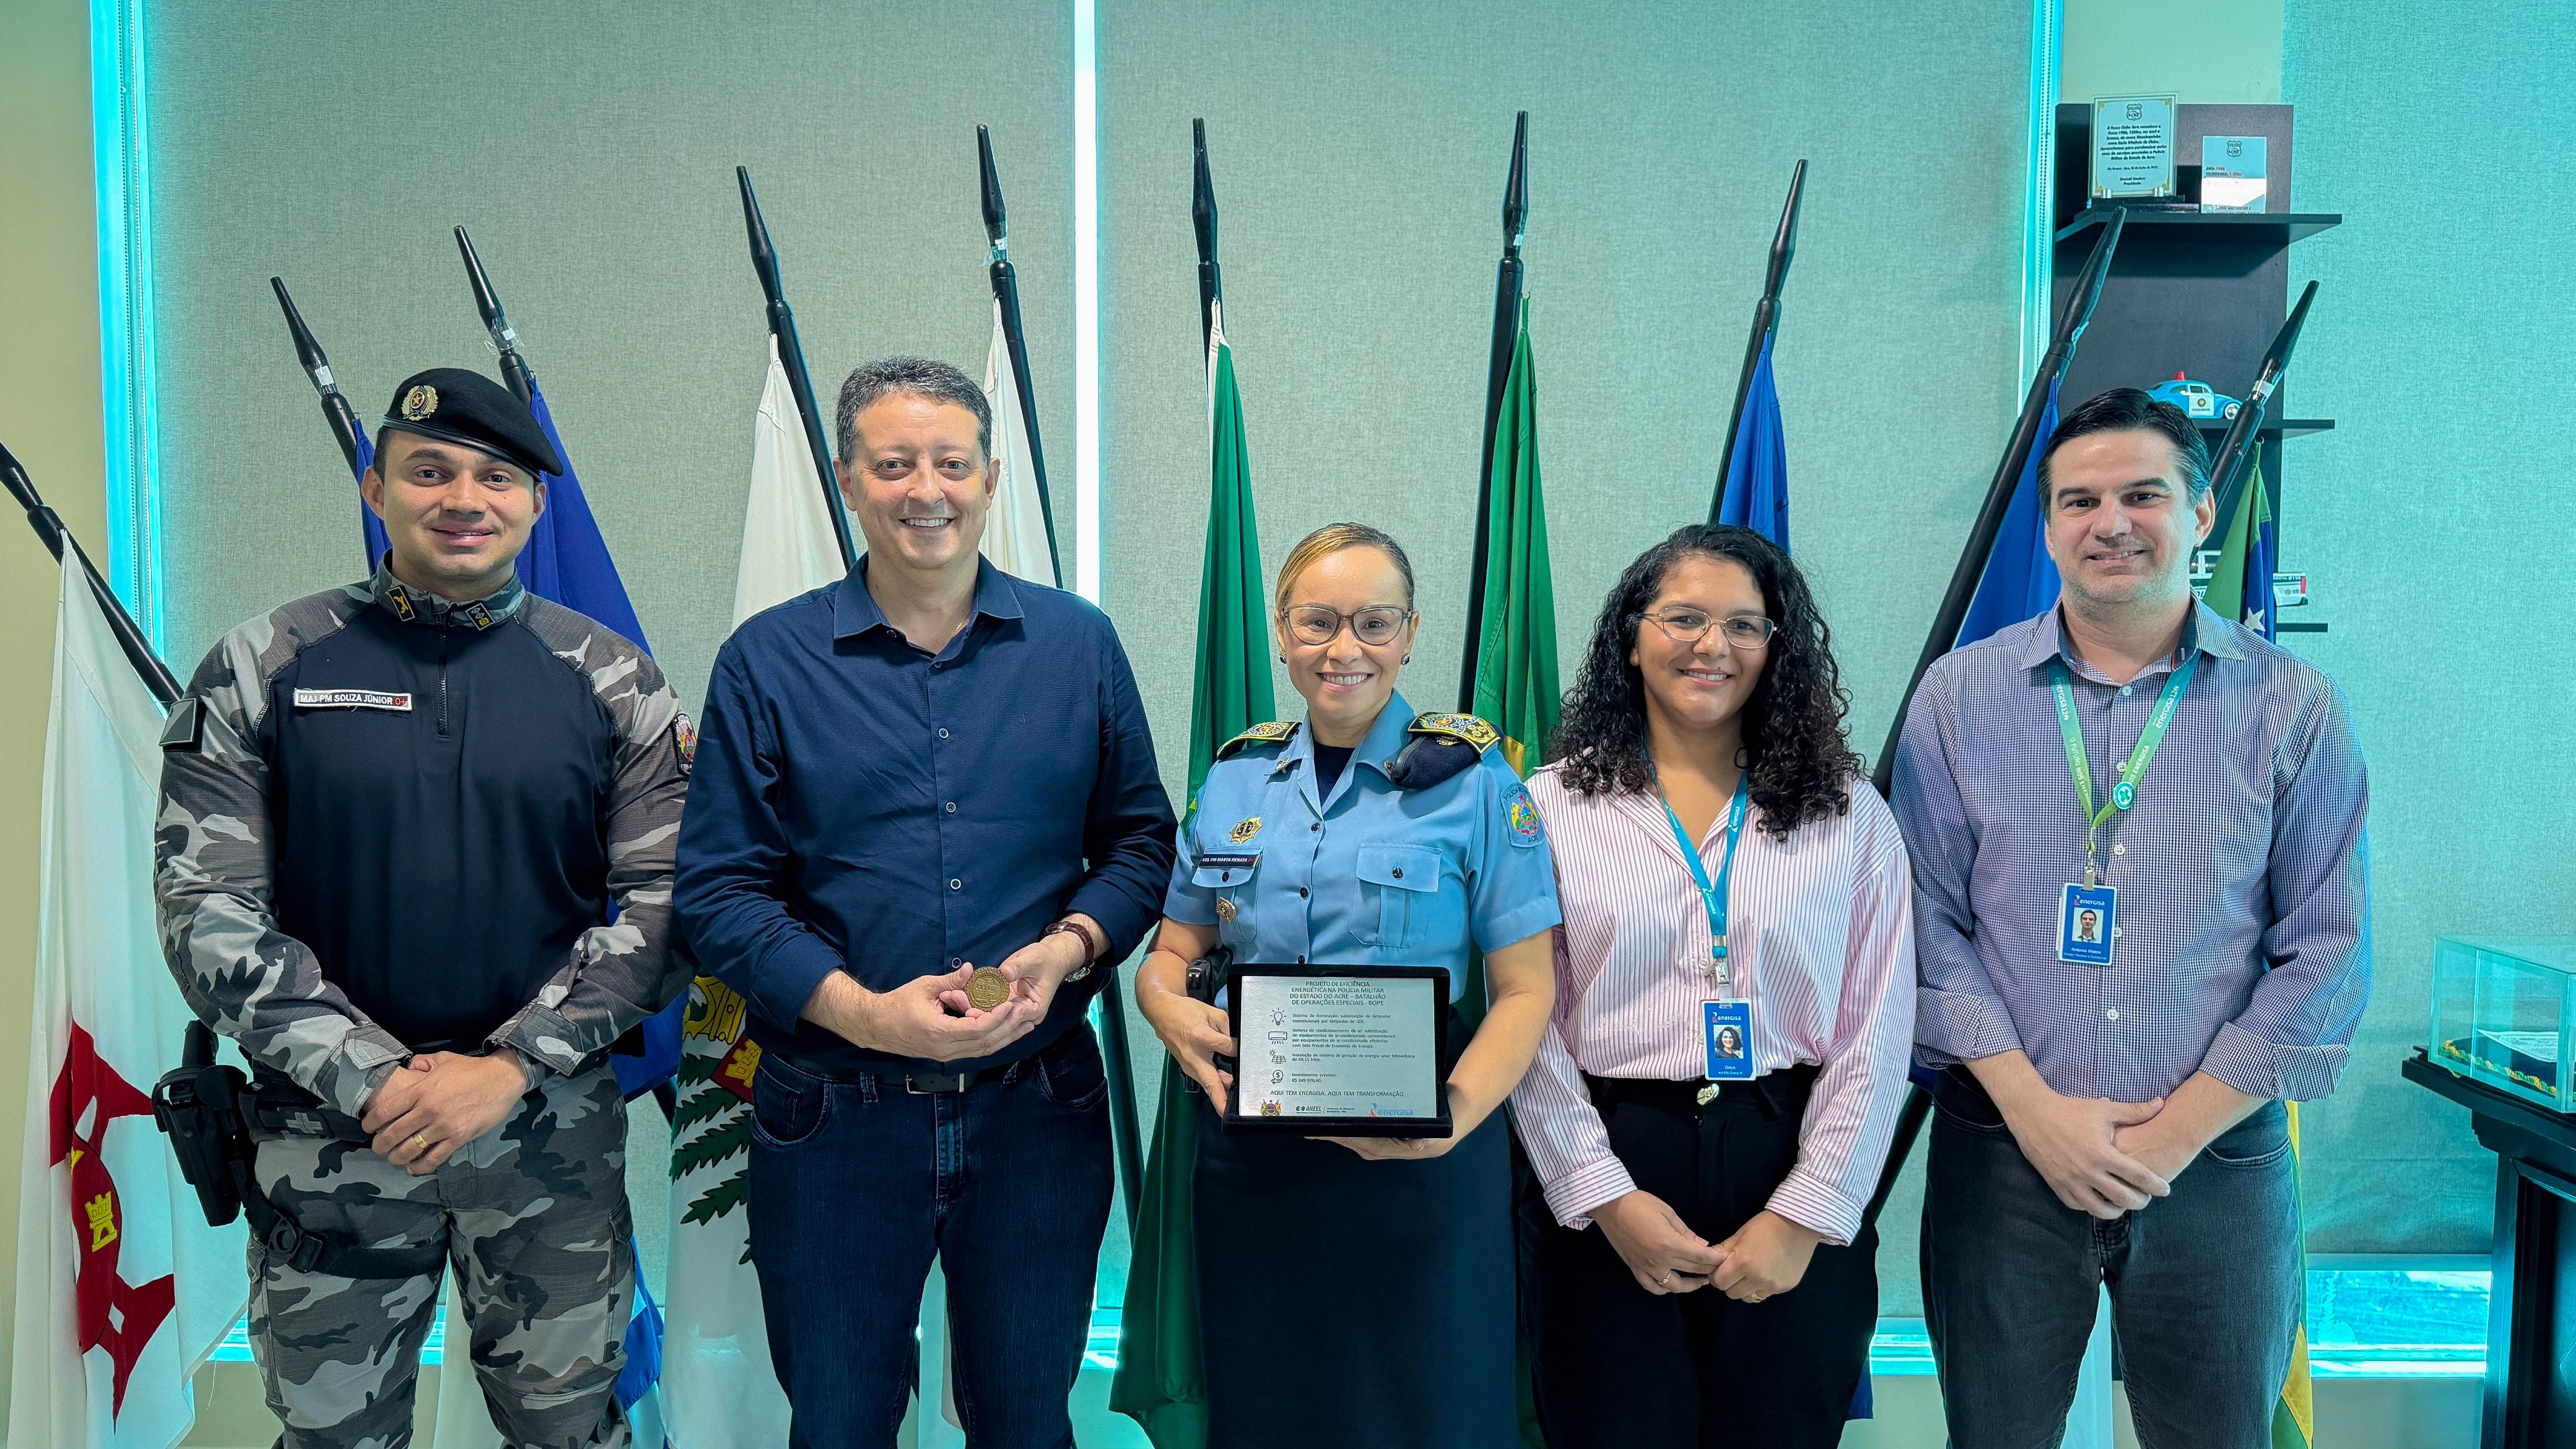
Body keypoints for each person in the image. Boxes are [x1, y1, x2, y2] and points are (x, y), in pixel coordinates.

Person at [155, 367, 692, 1448]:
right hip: (334, 1138)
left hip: (546, 1137)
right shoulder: (266, 666)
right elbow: (206, 908)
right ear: (376, 489)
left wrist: (507, 1068)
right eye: (429, 471)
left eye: (496, 477)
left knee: (573, 1430)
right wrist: (376, 1077)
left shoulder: (613, 680)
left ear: (536, 502)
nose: (464, 498)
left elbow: (666, 909)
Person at [674, 357, 1177, 1448]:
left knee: (1028, 1419)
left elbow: (1142, 841)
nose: (927, 489)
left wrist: (1073, 946)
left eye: (952, 462)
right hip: (833, 1112)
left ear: (992, 478)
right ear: (849, 483)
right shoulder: (767, 662)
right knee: (843, 1421)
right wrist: (863, 1011)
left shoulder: (1078, 645)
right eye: (894, 465)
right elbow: (718, 892)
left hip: (1036, 1107)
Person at [1892, 387, 2370, 1447]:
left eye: (2142, 493)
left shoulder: (2292, 706)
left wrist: (2177, 1132)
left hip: (2217, 1161)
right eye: (2079, 501)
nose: (2110, 522)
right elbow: (1923, 922)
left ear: (2200, 514)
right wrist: (2032, 1108)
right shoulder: (1958, 700)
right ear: (2050, 525)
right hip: (2007, 1152)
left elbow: (2327, 947)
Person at [1133, 523, 1559, 1449]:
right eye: (1318, 621)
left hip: (1429, 1144)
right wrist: (1160, 1004)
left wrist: (1447, 1116)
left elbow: (1527, 989)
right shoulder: (1237, 775)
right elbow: (1172, 952)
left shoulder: (1478, 780)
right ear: (1282, 633)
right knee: (1271, 1400)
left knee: (1428, 1405)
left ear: (1410, 634)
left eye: (1374, 622)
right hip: (1257, 1150)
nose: (1345, 648)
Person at [1511, 524, 1915, 1449]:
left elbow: (1878, 1032)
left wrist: (1806, 1218)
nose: (1711, 646)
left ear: (1778, 646)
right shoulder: (1550, 809)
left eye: (1744, 624)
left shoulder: (1849, 814)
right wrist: (1605, 1197)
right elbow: (1526, 1022)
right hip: (1612, 1166)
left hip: (1791, 1155)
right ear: (1631, 635)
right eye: (1683, 618)